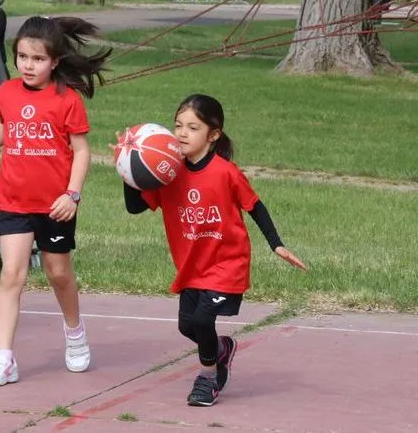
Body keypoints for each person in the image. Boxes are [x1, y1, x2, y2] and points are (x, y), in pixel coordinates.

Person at [119, 94, 307, 407]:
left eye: (193, 128)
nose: (182, 133)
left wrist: (276, 243)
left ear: (213, 134)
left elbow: (255, 206)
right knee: (187, 325)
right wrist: (129, 168)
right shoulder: (168, 173)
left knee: (203, 319)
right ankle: (221, 349)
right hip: (192, 267)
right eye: (178, 125)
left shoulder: (226, 172)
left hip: (226, 264)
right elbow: (134, 207)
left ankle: (208, 379)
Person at [0, 15, 111, 386]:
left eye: (37, 59)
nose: (28, 65)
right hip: (14, 200)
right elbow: (7, 122)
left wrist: (72, 194)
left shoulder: (67, 100)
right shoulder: (6, 92)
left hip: (55, 205)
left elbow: (81, 151)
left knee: (58, 273)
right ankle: (4, 358)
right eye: (22, 57)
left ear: (54, 61)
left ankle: (75, 331)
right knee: (11, 274)